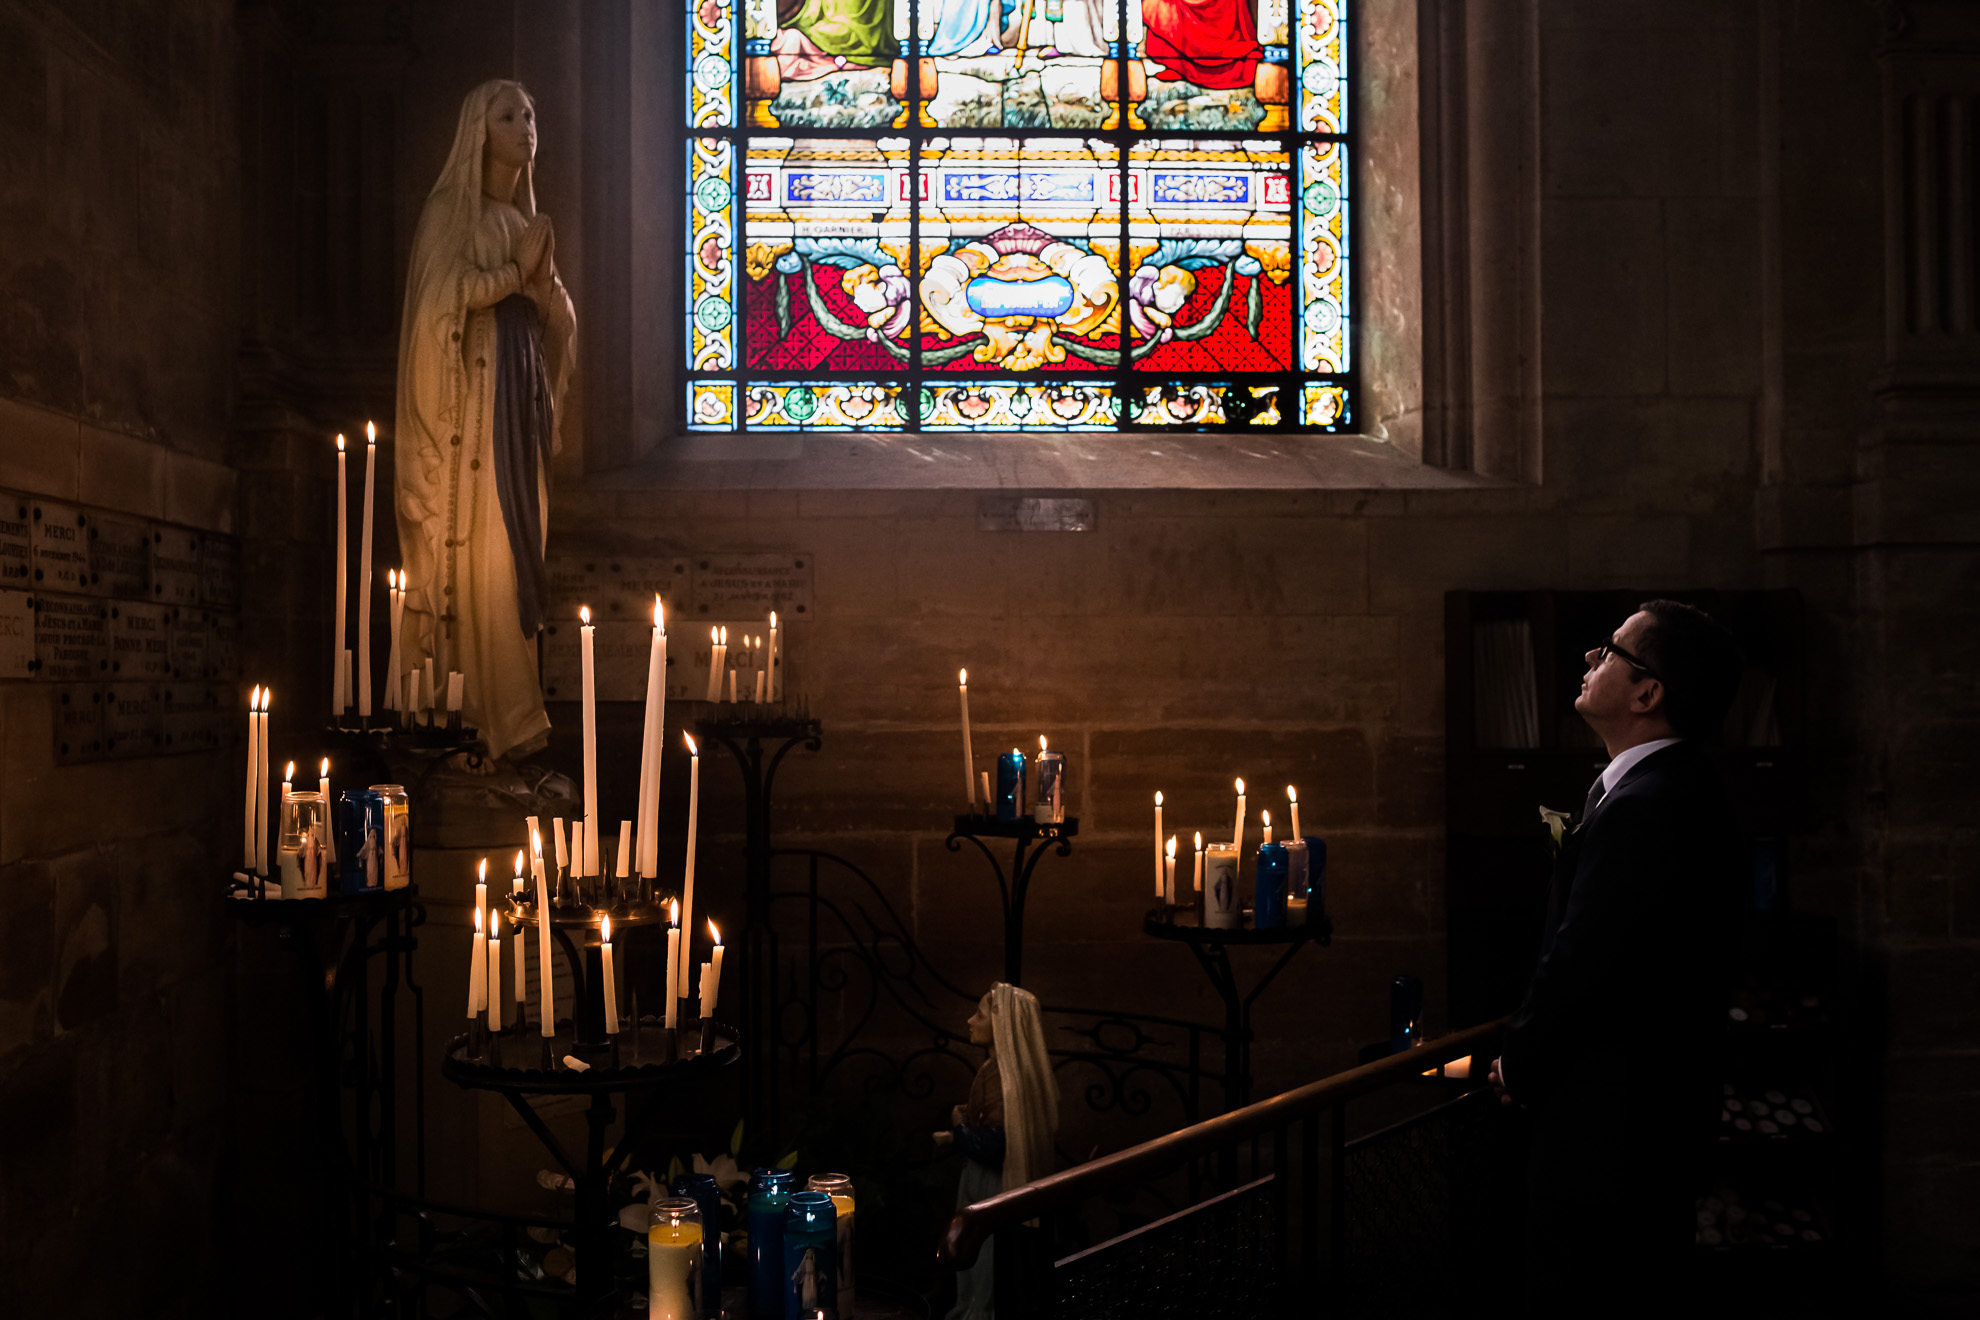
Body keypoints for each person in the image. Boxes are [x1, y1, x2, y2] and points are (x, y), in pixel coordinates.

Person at [1490, 600, 1748, 1309]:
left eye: (1609, 651)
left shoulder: (1652, 802)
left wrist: (1520, 1060)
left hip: (1614, 1135)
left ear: (1647, 693)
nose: (1588, 659)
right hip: (1637, 1127)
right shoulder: (1659, 787)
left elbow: (1587, 957)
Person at [396, 80, 575, 764]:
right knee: (484, 565)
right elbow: (440, 304)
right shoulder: (453, 211)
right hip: (471, 426)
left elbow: (551, 321)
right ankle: (481, 720)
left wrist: (546, 289)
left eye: (531, 113)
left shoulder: (517, 219)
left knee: (516, 562)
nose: (525, 125)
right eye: (508, 115)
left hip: (516, 413)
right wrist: (512, 274)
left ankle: (513, 720)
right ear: (478, 131)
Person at [933, 982, 1059, 1320]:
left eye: (980, 1015)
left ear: (1001, 1025)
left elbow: (996, 1146)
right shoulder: (998, 1072)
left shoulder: (1004, 1079)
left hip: (992, 1183)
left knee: (982, 1254)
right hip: (981, 1178)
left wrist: (959, 1127)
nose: (970, 1021)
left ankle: (979, 1311)